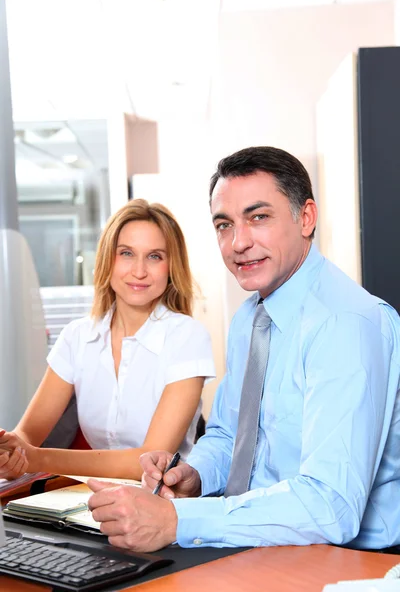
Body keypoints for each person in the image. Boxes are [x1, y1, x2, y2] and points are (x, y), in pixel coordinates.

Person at [87, 146, 400, 553]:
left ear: (306, 218)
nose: (238, 242)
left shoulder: (346, 323)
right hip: (257, 537)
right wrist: (194, 475)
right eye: (223, 225)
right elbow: (228, 435)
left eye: (258, 217)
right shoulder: (250, 318)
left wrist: (176, 520)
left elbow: (331, 506)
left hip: (349, 559)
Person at [0, 199, 215, 480]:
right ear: (107, 259)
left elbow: (149, 460)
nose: (139, 271)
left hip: (166, 502)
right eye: (126, 253)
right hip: (90, 501)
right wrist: (9, 450)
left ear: (171, 266)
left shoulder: (187, 337)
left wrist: (35, 457)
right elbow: (27, 434)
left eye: (155, 256)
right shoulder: (77, 337)